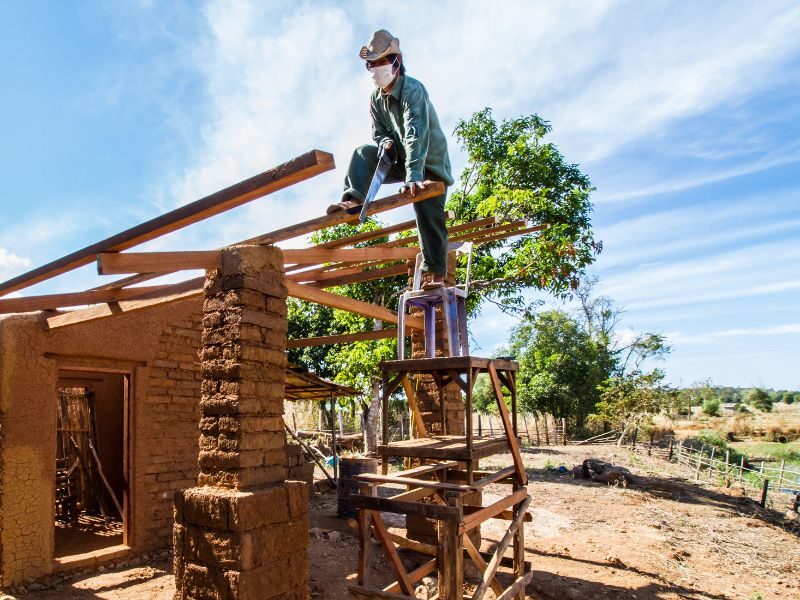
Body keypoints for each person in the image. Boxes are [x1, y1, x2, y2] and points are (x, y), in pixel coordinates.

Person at [327, 29, 453, 287]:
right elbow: (379, 131)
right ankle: (352, 201)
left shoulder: (413, 90)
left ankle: (436, 272)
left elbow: (415, 133)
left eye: (379, 62)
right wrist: (384, 142)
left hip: (427, 163)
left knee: (426, 209)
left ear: (396, 61)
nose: (374, 69)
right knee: (363, 153)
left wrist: (414, 176)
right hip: (400, 159)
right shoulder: (376, 98)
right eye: (370, 64)